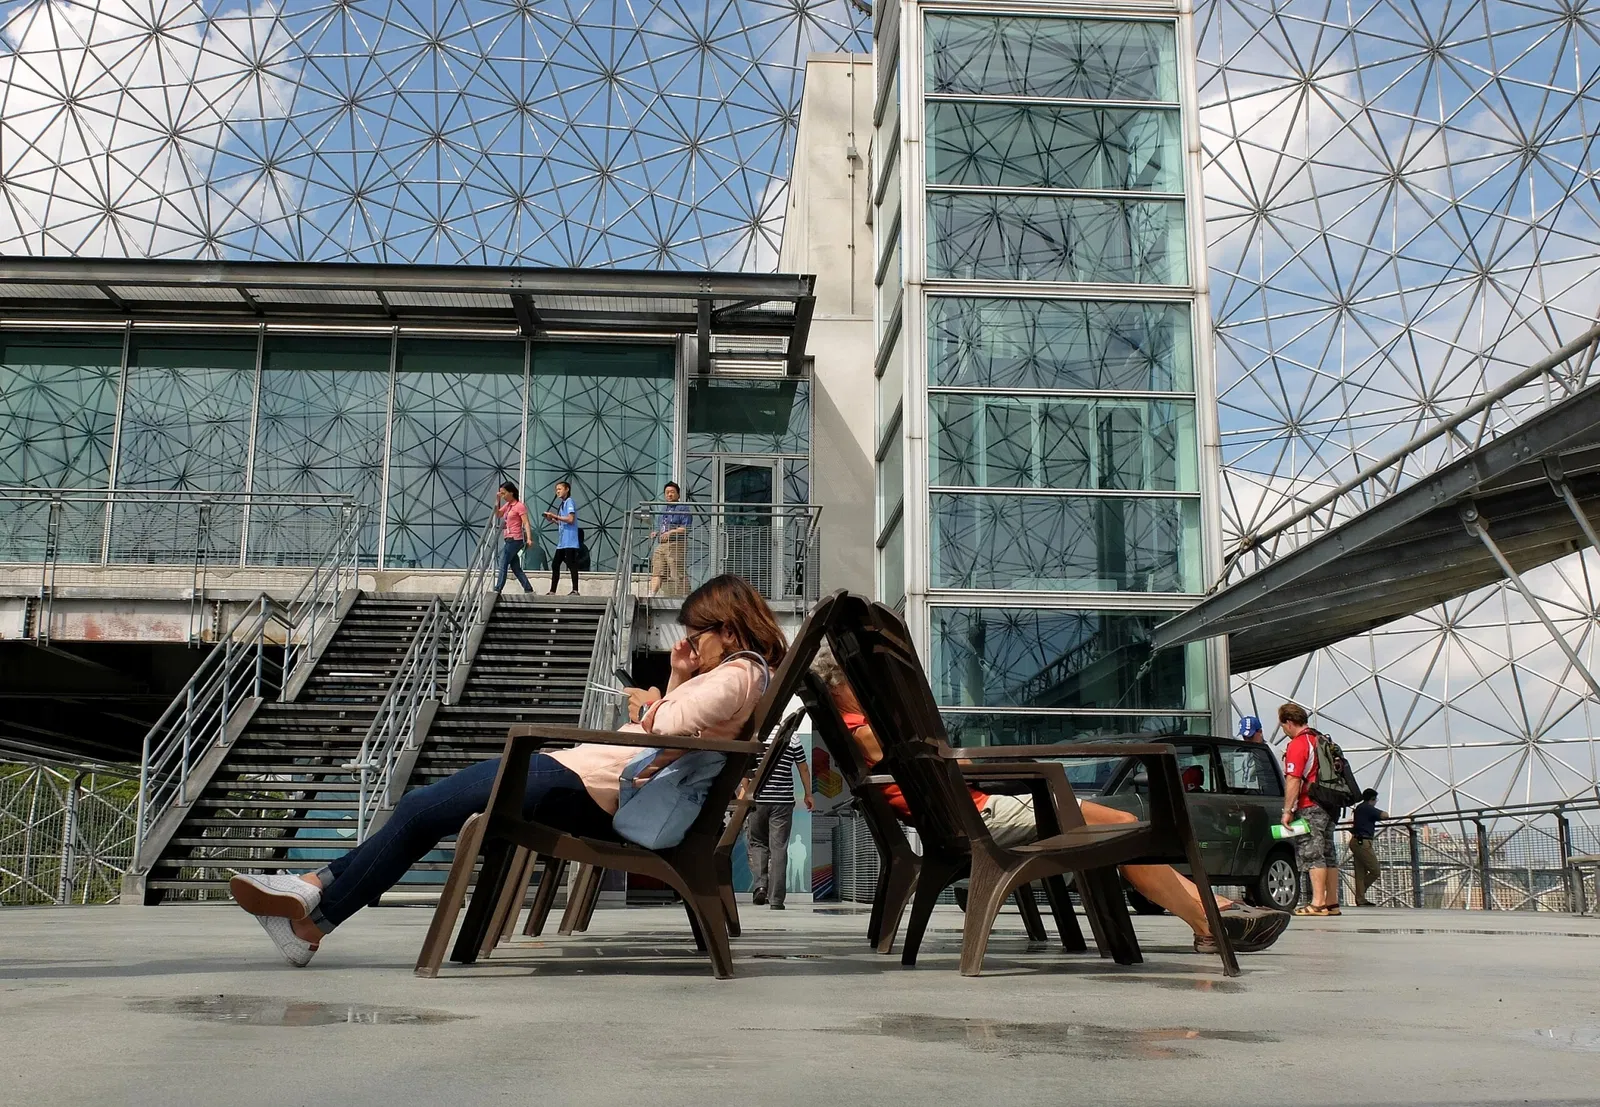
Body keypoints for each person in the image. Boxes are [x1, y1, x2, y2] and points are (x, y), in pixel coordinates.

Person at [228, 574, 786, 967]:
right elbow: (682, 727)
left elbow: (671, 725)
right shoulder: (736, 675)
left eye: (695, 633)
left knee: (423, 807)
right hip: (583, 778)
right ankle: (311, 908)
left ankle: (311, 900)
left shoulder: (740, 673)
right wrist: (675, 675)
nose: (688, 642)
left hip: (586, 787)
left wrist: (650, 702)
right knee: (424, 809)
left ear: (728, 630)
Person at [809, 644, 1290, 955]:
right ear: (842, 687)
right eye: (862, 681)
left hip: (968, 817)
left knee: (1115, 823)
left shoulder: (863, 734)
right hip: (981, 818)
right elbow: (947, 765)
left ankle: (1214, 910)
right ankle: (1209, 919)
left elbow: (943, 766)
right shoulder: (868, 733)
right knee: (1121, 826)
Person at [1280, 701, 1341, 916]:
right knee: (1328, 852)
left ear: (1288, 722)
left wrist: (1287, 811)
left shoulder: (1298, 744)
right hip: (1331, 804)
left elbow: (1293, 779)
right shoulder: (1320, 739)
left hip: (1310, 804)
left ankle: (1318, 903)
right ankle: (1332, 903)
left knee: (1312, 852)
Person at [746, 725, 813, 910]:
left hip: (757, 799)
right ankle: (776, 900)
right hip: (783, 801)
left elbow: (746, 767)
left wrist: (745, 792)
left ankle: (760, 885)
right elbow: (803, 767)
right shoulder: (792, 736)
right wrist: (808, 794)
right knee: (779, 848)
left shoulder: (757, 735)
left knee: (758, 843)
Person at [649, 481, 692, 596]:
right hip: (662, 544)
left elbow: (686, 528)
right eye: (667, 492)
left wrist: (671, 532)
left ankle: (685, 595)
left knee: (676, 570)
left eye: (672, 492)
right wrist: (656, 532)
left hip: (677, 543)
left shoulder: (683, 508)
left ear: (678, 495)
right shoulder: (663, 510)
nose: (669, 495)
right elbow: (661, 527)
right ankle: (652, 594)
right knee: (657, 570)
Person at [492, 481, 535, 594]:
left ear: (511, 492)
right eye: (501, 493)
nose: (503, 495)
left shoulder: (519, 506)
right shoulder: (508, 505)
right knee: (515, 567)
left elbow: (526, 523)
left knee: (503, 562)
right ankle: (528, 588)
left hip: (515, 539)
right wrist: (498, 500)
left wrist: (529, 538)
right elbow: (498, 514)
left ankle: (498, 588)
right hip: (508, 538)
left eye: (504, 493)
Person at [1349, 787, 1386, 906]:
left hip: (1356, 841)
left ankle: (1361, 899)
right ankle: (1361, 893)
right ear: (1373, 799)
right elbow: (1385, 815)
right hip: (1363, 842)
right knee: (1375, 870)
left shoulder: (1359, 808)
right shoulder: (1368, 808)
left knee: (1360, 872)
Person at [543, 480, 580, 594]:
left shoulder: (569, 502)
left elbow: (570, 519)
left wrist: (555, 515)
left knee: (571, 564)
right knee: (555, 564)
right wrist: (553, 519)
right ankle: (552, 590)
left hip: (570, 541)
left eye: (559, 489)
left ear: (567, 489)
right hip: (562, 542)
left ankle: (575, 589)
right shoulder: (562, 504)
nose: (557, 491)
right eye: (556, 490)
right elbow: (562, 522)